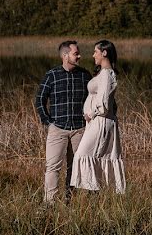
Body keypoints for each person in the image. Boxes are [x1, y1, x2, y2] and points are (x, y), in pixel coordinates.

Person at [34, 40, 92, 203]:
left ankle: (70, 201)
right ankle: (49, 203)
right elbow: (40, 99)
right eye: (76, 54)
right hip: (57, 129)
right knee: (53, 167)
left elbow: (92, 100)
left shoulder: (85, 75)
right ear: (65, 56)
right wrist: (48, 121)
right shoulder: (52, 75)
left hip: (79, 130)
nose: (79, 56)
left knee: (75, 168)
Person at [70, 39, 126, 194]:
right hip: (95, 122)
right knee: (91, 156)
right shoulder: (102, 73)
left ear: (104, 52)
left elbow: (104, 104)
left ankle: (93, 194)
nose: (93, 54)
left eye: (96, 51)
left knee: (83, 154)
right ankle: (93, 195)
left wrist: (91, 113)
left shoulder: (107, 74)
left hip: (100, 121)